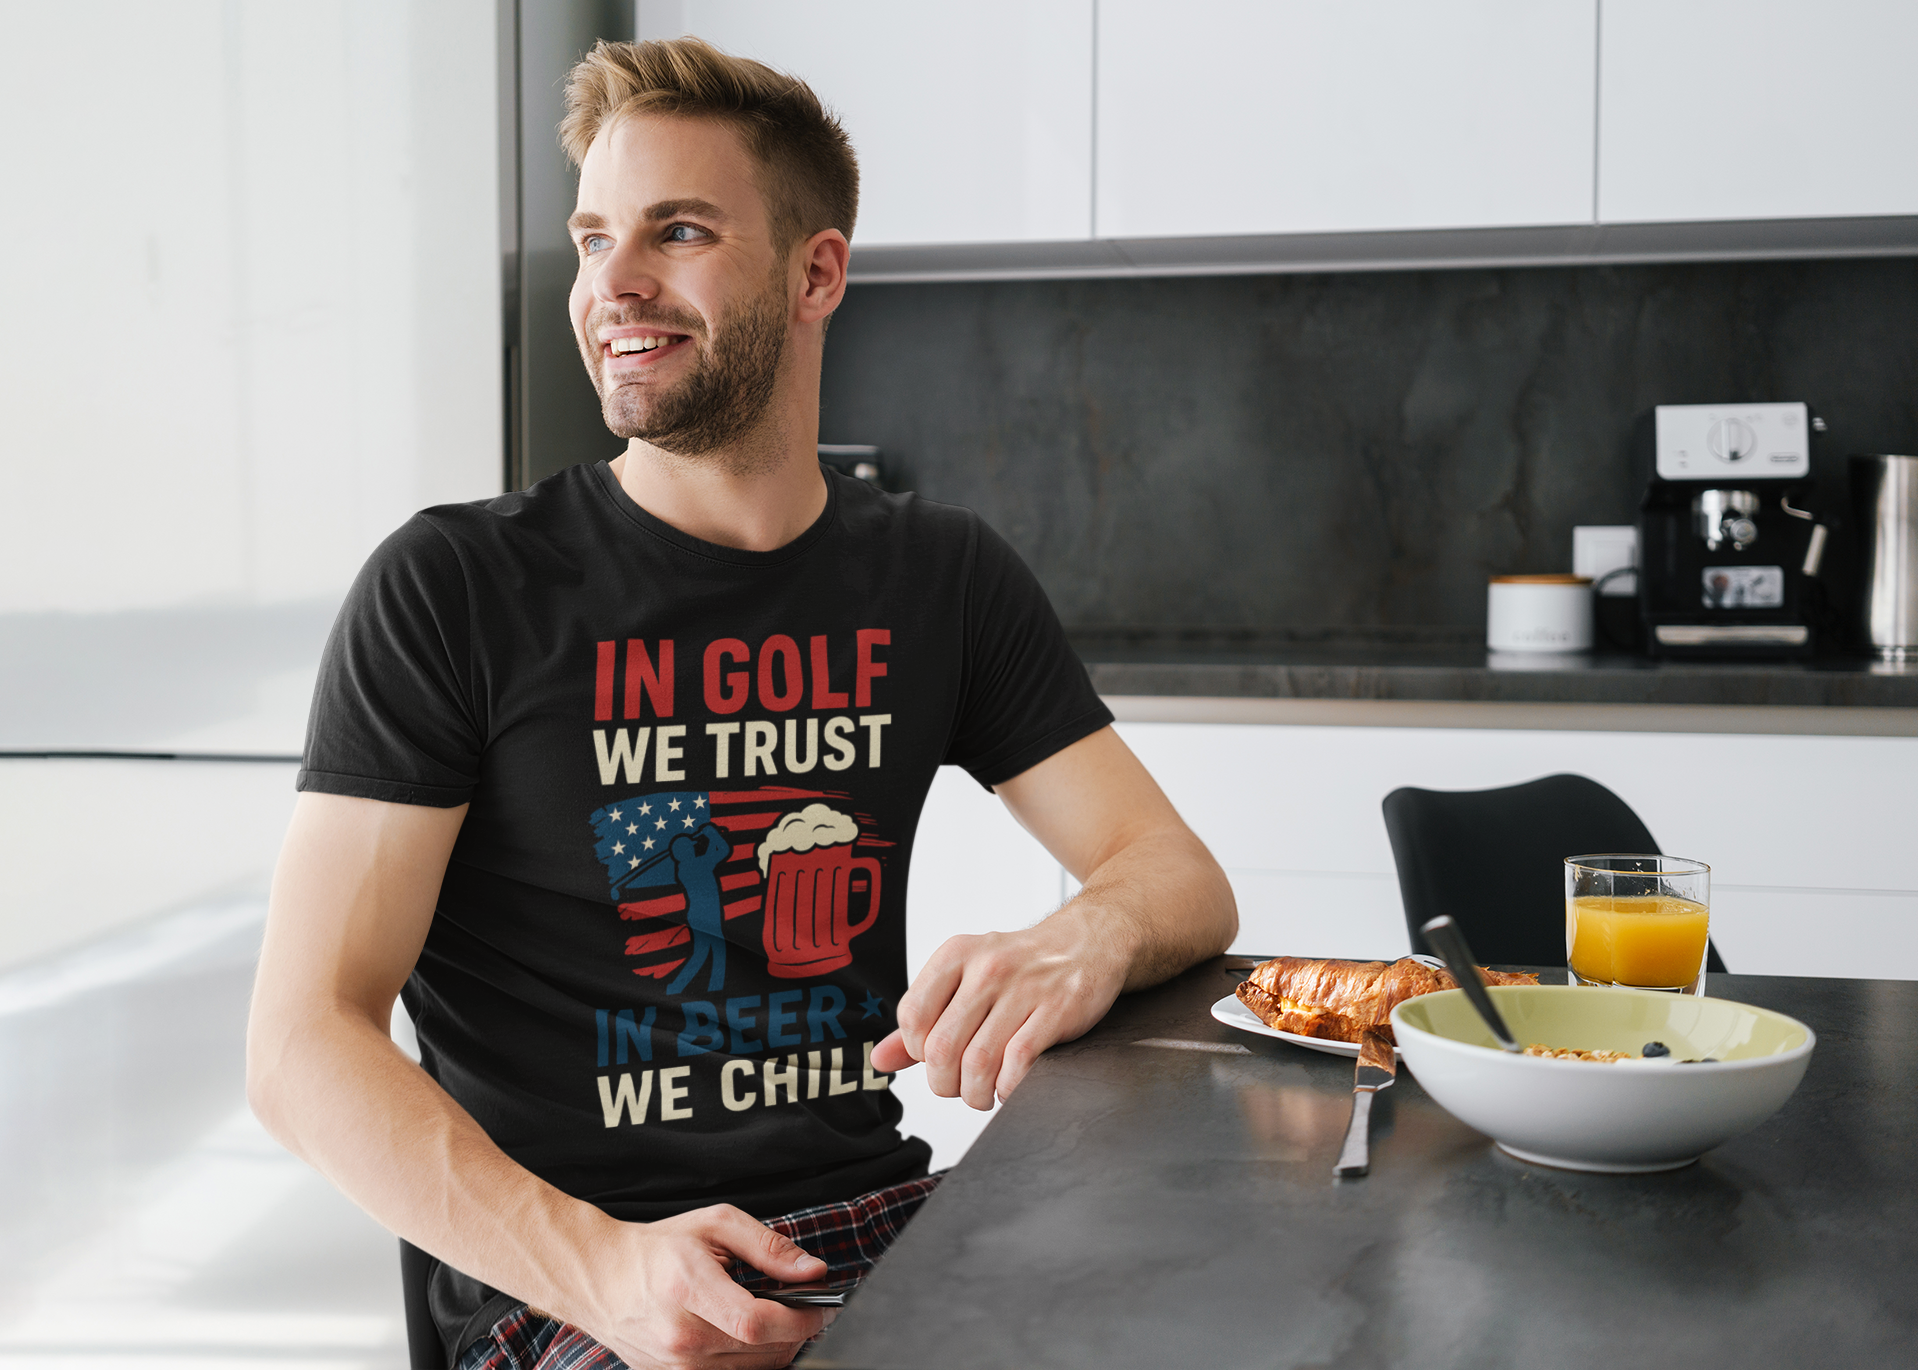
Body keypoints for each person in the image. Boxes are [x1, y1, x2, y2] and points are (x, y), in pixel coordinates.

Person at [246, 36, 1236, 1370]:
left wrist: (1088, 934)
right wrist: (604, 1267)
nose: (615, 285)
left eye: (681, 231)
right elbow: (302, 1043)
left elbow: (1173, 873)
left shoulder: (937, 576)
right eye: (595, 238)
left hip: (875, 1217)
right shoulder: (455, 588)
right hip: (577, 1286)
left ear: (815, 271)